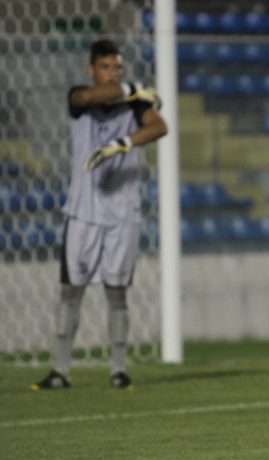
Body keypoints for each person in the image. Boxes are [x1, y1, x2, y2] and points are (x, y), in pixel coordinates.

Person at [32, 39, 167, 391]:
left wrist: (121, 144)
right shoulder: (80, 98)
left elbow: (160, 127)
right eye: (106, 67)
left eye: (118, 68)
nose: (112, 73)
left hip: (123, 214)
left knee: (117, 293)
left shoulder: (135, 107)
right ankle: (61, 370)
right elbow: (88, 98)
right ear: (92, 70)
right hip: (82, 213)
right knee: (70, 291)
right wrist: (134, 88)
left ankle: (118, 371)